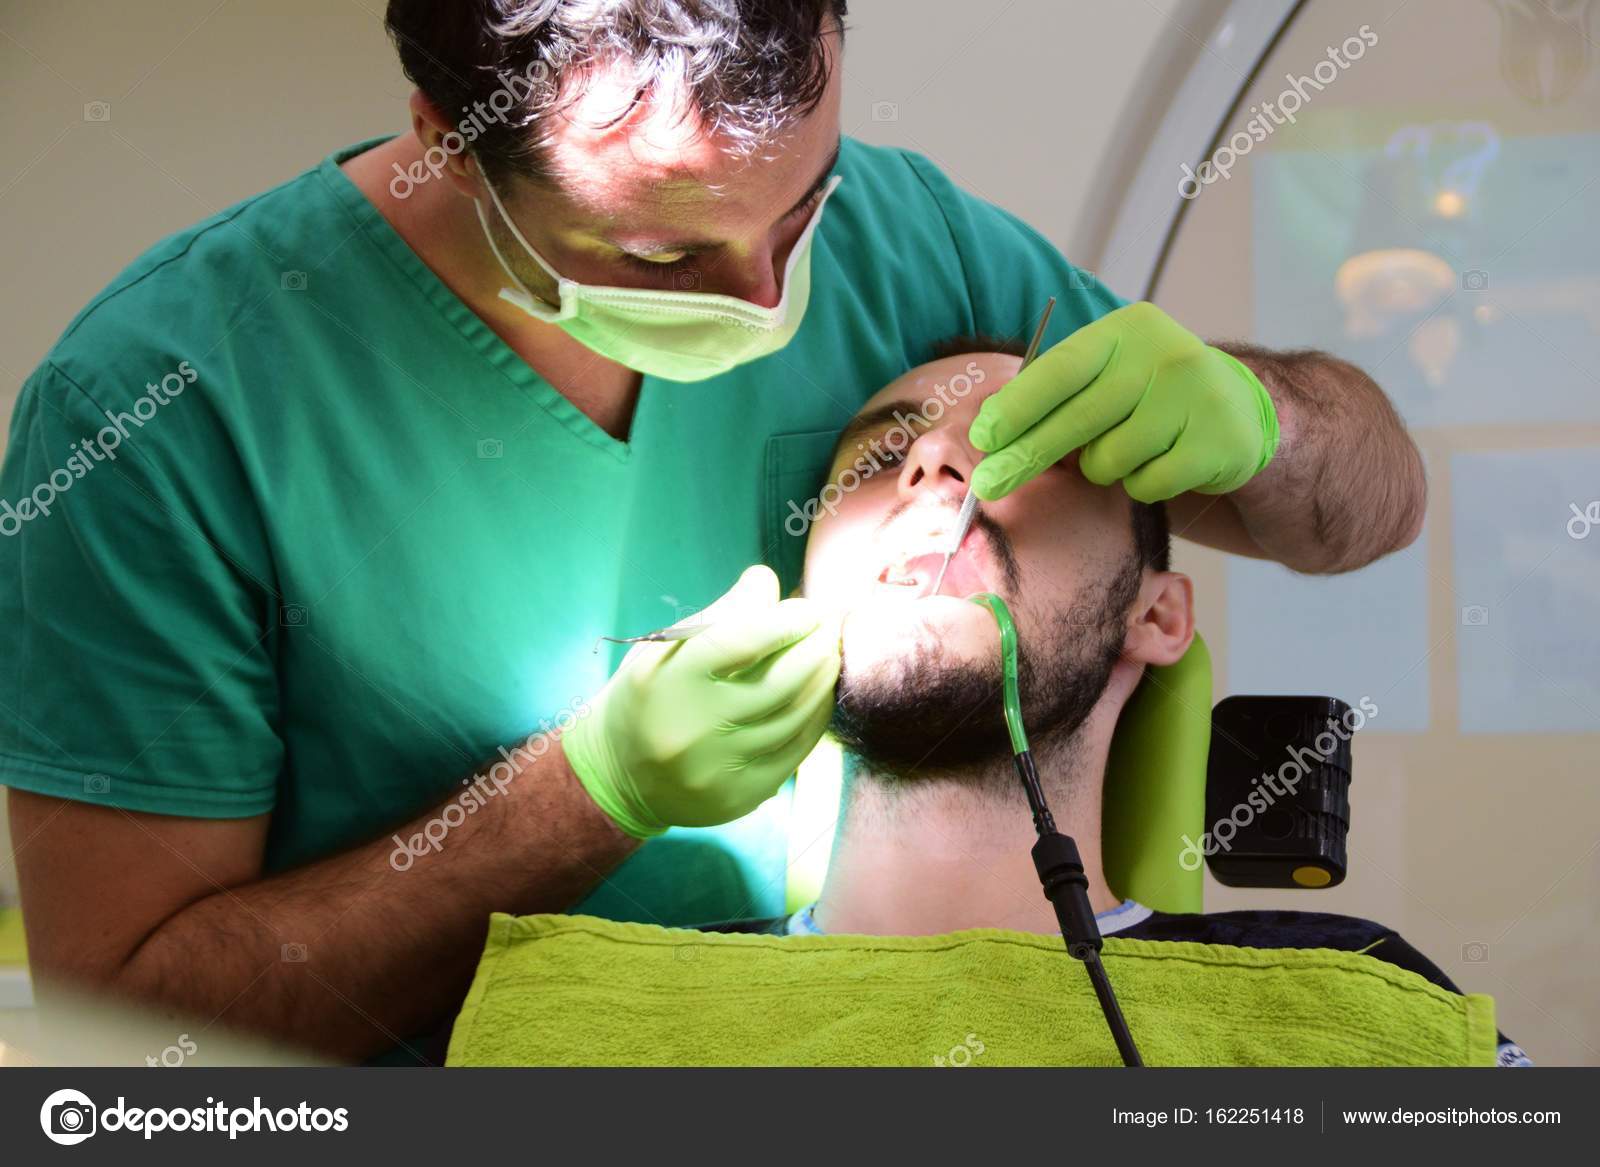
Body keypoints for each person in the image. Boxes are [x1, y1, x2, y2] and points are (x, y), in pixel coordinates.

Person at [1, 2, 1424, 1061]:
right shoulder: (165, 405)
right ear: (450, 145)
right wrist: (586, 792)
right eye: (664, 255)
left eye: (802, 206)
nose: (764, 303)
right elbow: (132, 1051)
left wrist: (1268, 418)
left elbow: (1374, 500)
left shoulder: (911, 241)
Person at [450, 344, 1519, 1067]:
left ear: (1157, 617)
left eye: (1033, 443)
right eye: (878, 456)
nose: (931, 461)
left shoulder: (1358, 1008)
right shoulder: (585, 1022)